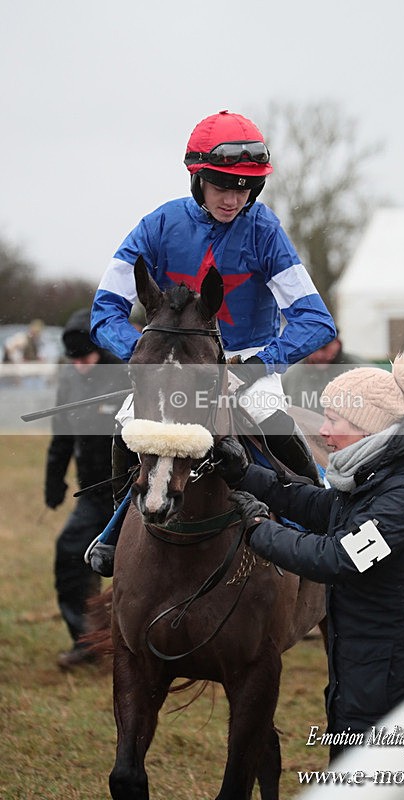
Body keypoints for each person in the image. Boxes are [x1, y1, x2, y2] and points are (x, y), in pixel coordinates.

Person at [88, 109, 336, 575]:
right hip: (172, 369)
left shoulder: (264, 230)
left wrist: (258, 364)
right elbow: (106, 311)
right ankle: (116, 528)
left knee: (280, 432)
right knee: (126, 425)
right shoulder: (157, 225)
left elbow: (316, 321)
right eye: (223, 184)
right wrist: (149, 358)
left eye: (245, 187)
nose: (233, 198)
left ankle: (319, 530)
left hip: (247, 367)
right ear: (198, 178)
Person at [213, 354, 404, 793]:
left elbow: (338, 559)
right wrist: (246, 474)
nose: (323, 431)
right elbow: (317, 506)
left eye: (333, 419)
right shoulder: (379, 476)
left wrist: (258, 529)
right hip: (372, 672)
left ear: (369, 427)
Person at [44, 309, 129, 669]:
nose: (80, 365)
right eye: (73, 360)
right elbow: (62, 435)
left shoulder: (125, 374)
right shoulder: (70, 380)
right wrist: (54, 479)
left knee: (134, 570)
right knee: (69, 553)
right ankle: (86, 641)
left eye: (86, 357)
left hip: (128, 497)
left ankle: (141, 645)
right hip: (91, 494)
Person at [282, 332, 363, 411]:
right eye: (312, 348)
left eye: (324, 348)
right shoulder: (289, 376)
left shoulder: (362, 373)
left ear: (338, 343)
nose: (318, 355)